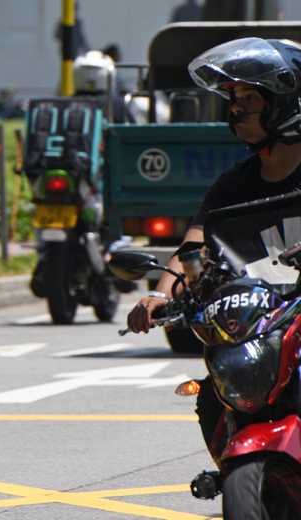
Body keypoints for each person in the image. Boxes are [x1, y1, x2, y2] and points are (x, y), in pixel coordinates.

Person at [126, 36, 301, 451]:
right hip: (266, 325)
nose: (236, 108)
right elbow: (195, 244)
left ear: (288, 103)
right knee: (214, 395)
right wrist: (160, 294)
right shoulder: (233, 185)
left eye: (249, 97)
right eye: (233, 98)